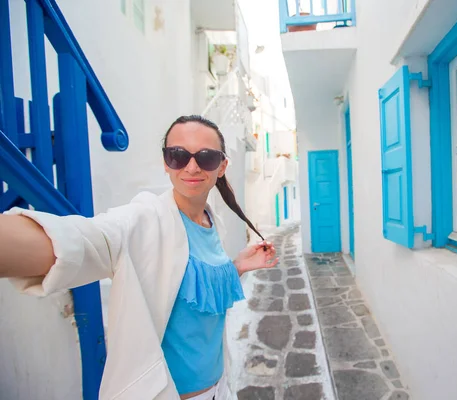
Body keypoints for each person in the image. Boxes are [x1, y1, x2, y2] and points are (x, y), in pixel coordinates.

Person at [0, 115, 278, 400]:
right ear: (165, 161)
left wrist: (238, 266)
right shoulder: (145, 218)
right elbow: (91, 239)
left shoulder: (212, 220)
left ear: (222, 167)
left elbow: (194, 287)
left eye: (206, 157)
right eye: (178, 155)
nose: (191, 166)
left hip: (219, 387)